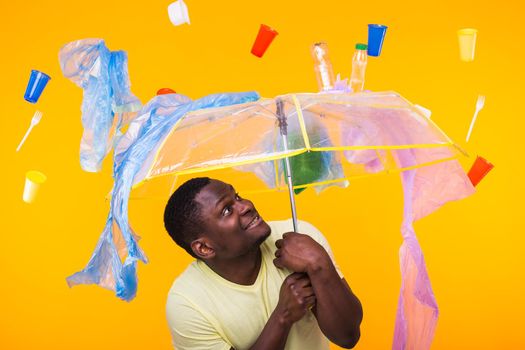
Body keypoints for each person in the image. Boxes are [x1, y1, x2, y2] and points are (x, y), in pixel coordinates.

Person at [164, 177, 363, 350]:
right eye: (226, 210)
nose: (246, 205)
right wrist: (283, 316)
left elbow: (348, 336)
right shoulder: (186, 302)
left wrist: (318, 264)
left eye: (238, 196)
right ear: (205, 248)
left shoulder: (302, 239)